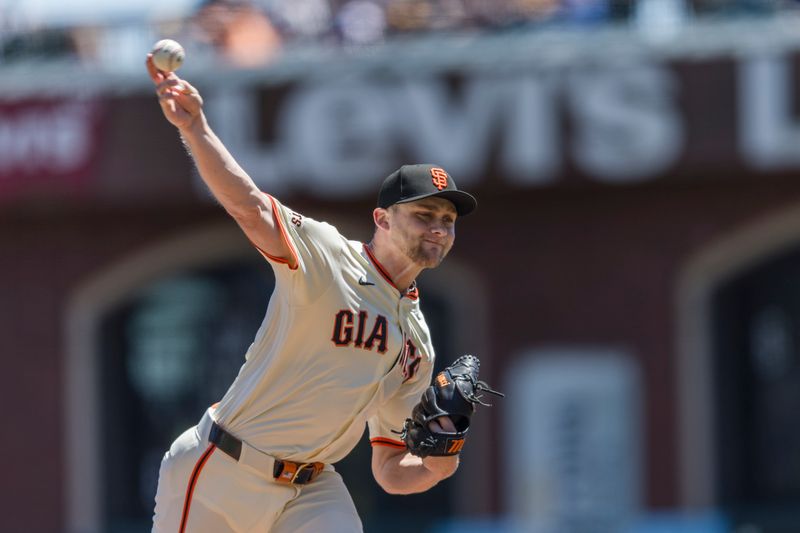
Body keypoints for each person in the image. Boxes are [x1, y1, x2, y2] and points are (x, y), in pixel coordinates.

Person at [146, 53, 477, 533]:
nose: (439, 228)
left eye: (447, 221)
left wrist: (442, 461)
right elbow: (248, 205)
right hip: (223, 467)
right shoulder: (327, 254)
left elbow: (389, 470)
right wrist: (196, 127)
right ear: (382, 219)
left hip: (312, 487)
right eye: (423, 215)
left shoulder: (417, 342)